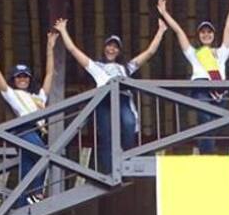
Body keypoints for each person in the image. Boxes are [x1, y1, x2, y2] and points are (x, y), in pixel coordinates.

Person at [54, 17, 167, 172]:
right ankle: (109, 171)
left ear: (119, 51)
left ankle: (126, 161)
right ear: (104, 48)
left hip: (123, 98)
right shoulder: (97, 66)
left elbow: (150, 52)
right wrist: (63, 30)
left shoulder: (126, 68)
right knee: (107, 136)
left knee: (129, 124)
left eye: (115, 47)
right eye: (109, 46)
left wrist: (161, 30)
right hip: (104, 100)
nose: (111, 49)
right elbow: (74, 51)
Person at [157, 0, 229, 154]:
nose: (206, 34)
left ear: (213, 35)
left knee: (211, 126)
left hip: (220, 93)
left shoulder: (221, 52)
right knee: (207, 120)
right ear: (199, 36)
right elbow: (180, 32)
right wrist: (165, 13)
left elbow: (228, 26)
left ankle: (206, 152)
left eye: (209, 32)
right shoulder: (194, 53)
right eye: (203, 32)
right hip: (201, 88)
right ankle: (207, 155)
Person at [0, 30, 57, 205]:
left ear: (30, 79)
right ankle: (37, 194)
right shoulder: (12, 94)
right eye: (19, 77)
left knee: (27, 169)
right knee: (44, 156)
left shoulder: (38, 97)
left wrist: (50, 48)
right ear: (14, 79)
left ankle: (23, 201)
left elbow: (49, 74)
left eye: (25, 76)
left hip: (38, 133)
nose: (23, 79)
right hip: (25, 130)